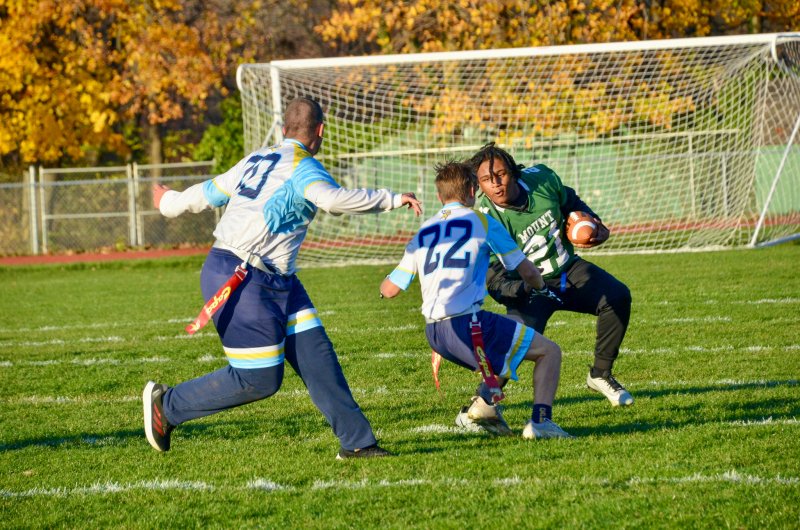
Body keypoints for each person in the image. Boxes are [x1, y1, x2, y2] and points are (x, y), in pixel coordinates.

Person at [142, 97, 422, 459]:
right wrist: (391, 198)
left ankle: (357, 442)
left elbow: (209, 192)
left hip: (274, 277)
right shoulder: (305, 167)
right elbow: (332, 200)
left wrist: (168, 203)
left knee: (316, 355)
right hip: (242, 277)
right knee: (258, 379)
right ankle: (167, 406)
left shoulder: (255, 159)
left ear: (283, 129)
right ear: (320, 131)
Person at [380, 160, 572, 439]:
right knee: (549, 352)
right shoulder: (482, 221)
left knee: (512, 350)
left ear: (439, 196)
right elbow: (526, 269)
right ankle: (541, 423)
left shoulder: (424, 231)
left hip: (434, 334)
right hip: (468, 326)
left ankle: (487, 412)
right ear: (472, 190)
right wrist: (541, 287)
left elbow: (390, 289)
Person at [452, 142, 632, 434]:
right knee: (510, 348)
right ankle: (481, 404)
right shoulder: (482, 219)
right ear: (478, 184)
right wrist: (524, 291)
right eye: (487, 179)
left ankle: (600, 373)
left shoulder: (542, 179)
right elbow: (494, 280)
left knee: (617, 296)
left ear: (514, 171)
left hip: (566, 270)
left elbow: (570, 201)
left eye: (501, 174)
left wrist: (591, 223)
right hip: (526, 287)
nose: (496, 184)